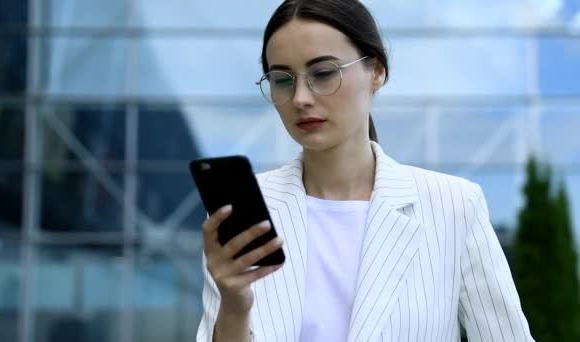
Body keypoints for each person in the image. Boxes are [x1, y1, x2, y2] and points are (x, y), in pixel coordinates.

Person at [196, 0, 535, 341]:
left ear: (377, 71)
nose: (300, 98)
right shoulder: (244, 213)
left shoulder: (454, 206)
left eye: (324, 73)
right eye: (282, 80)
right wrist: (235, 305)